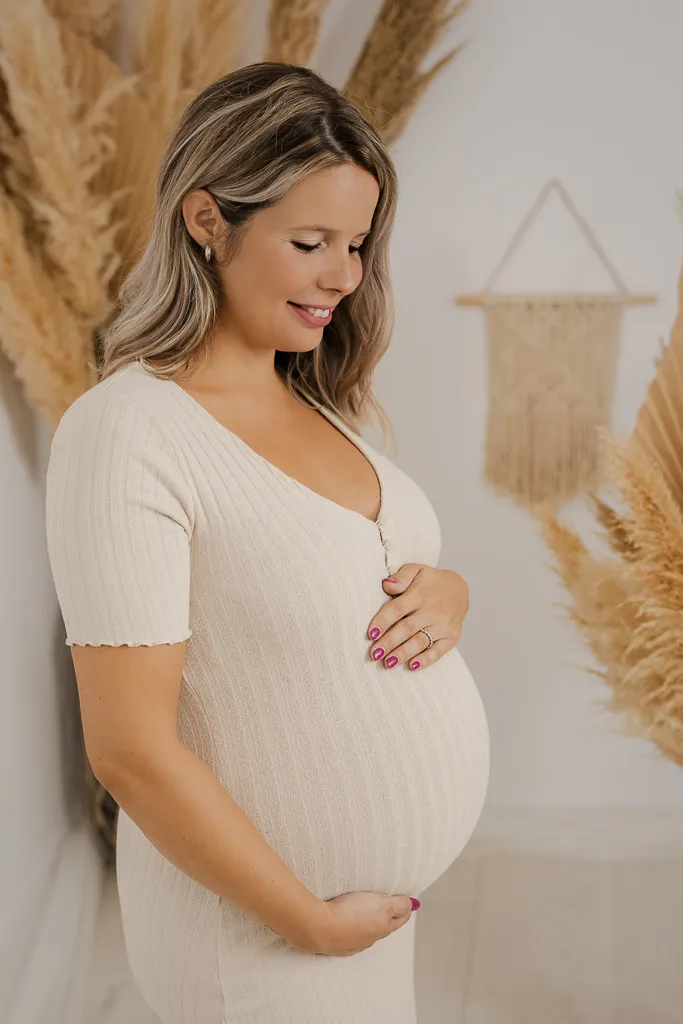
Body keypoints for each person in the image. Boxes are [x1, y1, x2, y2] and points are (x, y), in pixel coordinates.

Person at [45, 62, 489, 1024]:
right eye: (310, 241)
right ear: (207, 220)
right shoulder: (128, 432)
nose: (344, 274)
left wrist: (449, 591)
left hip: (358, 928)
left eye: (358, 243)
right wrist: (304, 922)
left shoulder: (323, 404)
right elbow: (128, 751)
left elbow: (338, 576)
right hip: (255, 938)